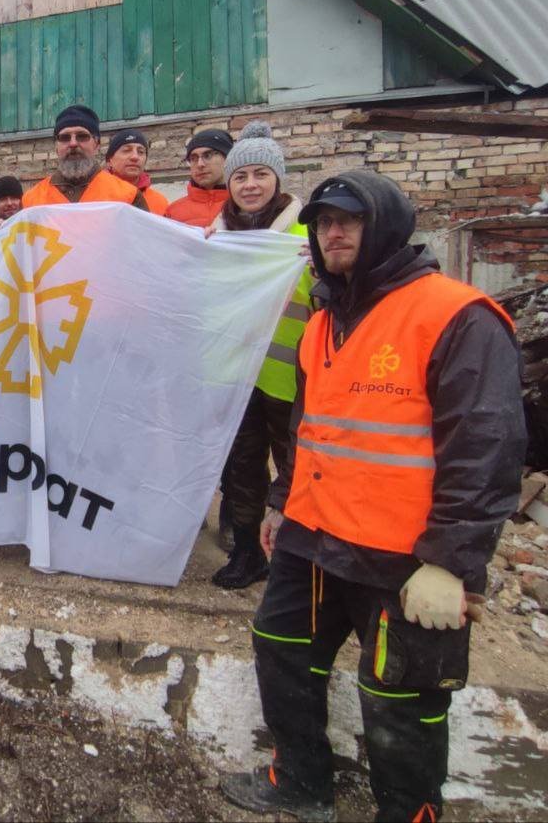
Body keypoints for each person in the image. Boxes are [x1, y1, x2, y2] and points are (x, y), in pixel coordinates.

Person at [220, 170, 525, 823]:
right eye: (323, 221)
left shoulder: (454, 315)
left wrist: (452, 560)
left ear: (385, 224)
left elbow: (489, 447)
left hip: (405, 554)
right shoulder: (323, 319)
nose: (333, 231)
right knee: (280, 646)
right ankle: (301, 780)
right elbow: (308, 426)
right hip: (313, 534)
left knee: (401, 693)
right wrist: (281, 499)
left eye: (349, 219)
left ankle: (409, 810)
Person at [204, 122, 313, 590]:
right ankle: (248, 552)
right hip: (237, 377)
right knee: (242, 468)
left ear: (278, 180)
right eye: (240, 176)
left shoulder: (308, 234)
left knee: (300, 473)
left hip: (297, 380)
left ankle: (295, 561)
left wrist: (318, 263)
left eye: (260, 175)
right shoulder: (217, 236)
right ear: (228, 183)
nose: (250, 185)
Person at [22, 105, 149, 210]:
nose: (73, 143)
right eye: (65, 137)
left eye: (82, 136)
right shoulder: (31, 201)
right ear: (56, 146)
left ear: (97, 144)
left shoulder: (127, 196)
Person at [167, 128, 233, 227]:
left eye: (208, 156)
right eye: (193, 158)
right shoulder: (173, 212)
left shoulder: (246, 206)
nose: (200, 164)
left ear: (227, 158)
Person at [106, 129, 169, 216]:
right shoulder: (95, 194)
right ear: (110, 160)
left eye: (141, 152)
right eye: (126, 150)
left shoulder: (160, 202)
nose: (135, 157)